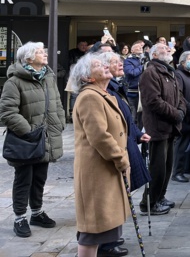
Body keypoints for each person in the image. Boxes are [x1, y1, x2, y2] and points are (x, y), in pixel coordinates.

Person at [0, 42, 65, 238]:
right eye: (39, 52)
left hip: (45, 137)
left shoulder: (48, 77)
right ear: (28, 58)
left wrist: (60, 123)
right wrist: (28, 131)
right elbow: (7, 112)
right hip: (26, 140)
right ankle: (20, 217)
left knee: (40, 178)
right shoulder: (14, 81)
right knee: (24, 179)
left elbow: (57, 103)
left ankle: (36, 213)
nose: (44, 54)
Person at [70, 52, 130, 257]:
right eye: (98, 65)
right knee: (92, 229)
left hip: (106, 170)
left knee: (103, 228)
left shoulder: (102, 94)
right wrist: (120, 158)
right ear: (88, 77)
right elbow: (99, 136)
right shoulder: (89, 97)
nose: (105, 66)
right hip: (97, 172)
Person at [101, 52, 151, 257]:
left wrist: (138, 134)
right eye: (115, 63)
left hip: (126, 142)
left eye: (120, 62)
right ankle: (105, 241)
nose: (120, 65)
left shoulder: (115, 86)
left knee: (120, 194)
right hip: (115, 150)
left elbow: (125, 119)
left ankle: (111, 236)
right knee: (110, 198)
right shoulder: (105, 91)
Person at [138, 43, 187, 215]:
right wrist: (175, 114)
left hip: (170, 127)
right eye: (164, 50)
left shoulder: (169, 72)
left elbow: (179, 96)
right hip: (158, 127)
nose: (168, 51)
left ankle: (160, 196)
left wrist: (181, 110)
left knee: (167, 166)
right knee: (157, 168)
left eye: (168, 49)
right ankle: (149, 202)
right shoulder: (150, 73)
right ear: (154, 55)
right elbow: (154, 101)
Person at [172, 51, 190, 183]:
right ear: (182, 62)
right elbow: (180, 95)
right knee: (181, 145)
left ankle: (187, 168)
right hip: (186, 114)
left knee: (189, 143)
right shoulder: (179, 74)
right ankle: (177, 172)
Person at [123, 40, 146, 120]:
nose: (140, 48)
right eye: (138, 47)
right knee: (133, 115)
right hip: (133, 92)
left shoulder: (145, 59)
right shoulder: (128, 61)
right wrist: (142, 66)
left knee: (143, 116)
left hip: (144, 91)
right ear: (132, 50)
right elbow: (131, 72)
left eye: (141, 47)